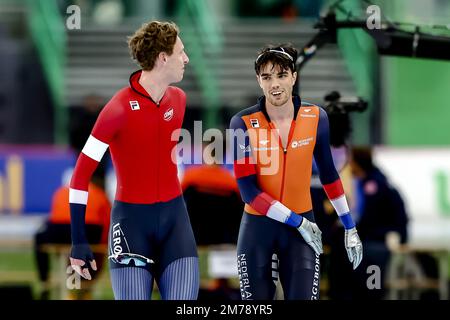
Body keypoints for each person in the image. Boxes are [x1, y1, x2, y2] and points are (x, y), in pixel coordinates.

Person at [69, 21, 199, 300]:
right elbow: (80, 177)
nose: (186, 59)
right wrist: (78, 240)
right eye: (181, 52)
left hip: (176, 223)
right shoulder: (116, 110)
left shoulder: (179, 99)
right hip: (131, 226)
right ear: (163, 58)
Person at [229, 44, 363, 300]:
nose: (274, 84)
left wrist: (350, 227)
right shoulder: (242, 123)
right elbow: (248, 191)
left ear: (294, 76)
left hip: (301, 230)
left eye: (281, 75)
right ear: (259, 81)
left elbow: (329, 174)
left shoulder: (316, 117)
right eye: (266, 77)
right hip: (260, 228)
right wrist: (298, 222)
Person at [34, 173, 110, 300]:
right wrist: (102, 247)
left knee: (39, 238)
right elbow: (107, 223)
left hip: (58, 228)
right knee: (89, 252)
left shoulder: (63, 190)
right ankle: (83, 288)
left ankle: (44, 281)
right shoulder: (99, 194)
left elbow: (53, 216)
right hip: (89, 228)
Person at [348, 146, 408, 299]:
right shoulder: (362, 183)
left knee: (371, 286)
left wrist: (397, 234)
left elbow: (393, 214)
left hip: (375, 242)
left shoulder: (376, 186)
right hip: (366, 241)